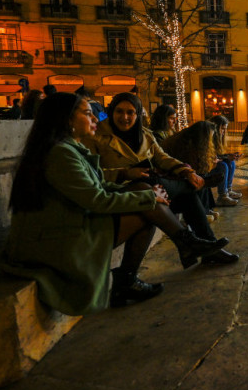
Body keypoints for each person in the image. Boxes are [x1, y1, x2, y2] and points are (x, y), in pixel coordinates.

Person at [1, 93, 227, 315]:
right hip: (60, 238)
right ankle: (185, 243)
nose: (94, 120)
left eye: (131, 112)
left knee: (150, 195)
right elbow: (97, 198)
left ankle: (184, 243)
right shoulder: (63, 153)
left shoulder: (70, 148)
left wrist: (180, 173)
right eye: (88, 114)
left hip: (77, 220)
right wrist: (137, 185)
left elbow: (103, 183)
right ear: (67, 119)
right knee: (151, 202)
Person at [84, 92, 238, 266]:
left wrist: (186, 172)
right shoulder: (95, 137)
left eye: (130, 112)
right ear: (111, 112)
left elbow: (163, 157)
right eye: (119, 111)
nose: (124, 117)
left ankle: (199, 247)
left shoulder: (144, 134)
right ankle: (193, 242)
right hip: (123, 191)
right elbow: (90, 174)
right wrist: (123, 173)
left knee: (186, 196)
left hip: (150, 187)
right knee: (171, 188)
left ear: (138, 113)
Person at [208, 115, 243, 205]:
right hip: (205, 166)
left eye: (225, 129)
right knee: (223, 166)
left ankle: (228, 190)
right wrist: (226, 157)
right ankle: (222, 196)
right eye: (222, 129)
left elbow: (218, 155)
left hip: (212, 163)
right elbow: (210, 157)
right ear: (215, 128)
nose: (224, 132)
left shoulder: (218, 139)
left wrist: (229, 156)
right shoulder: (208, 138)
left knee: (231, 162)